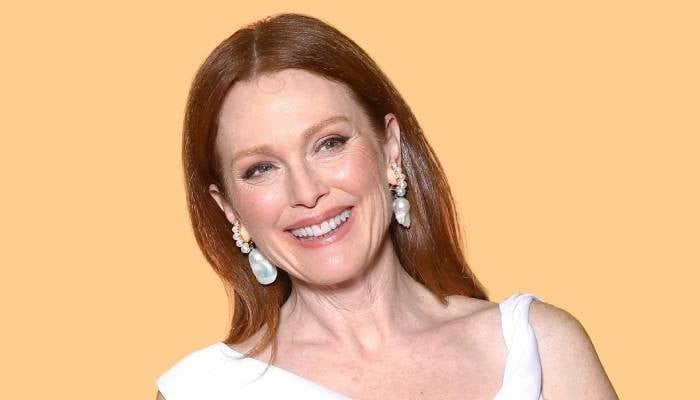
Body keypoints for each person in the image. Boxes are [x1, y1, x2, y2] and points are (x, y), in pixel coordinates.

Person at [155, 13, 618, 400]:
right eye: (261, 168)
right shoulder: (200, 391)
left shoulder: (540, 347)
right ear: (229, 208)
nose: (307, 192)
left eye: (329, 143)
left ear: (390, 148)